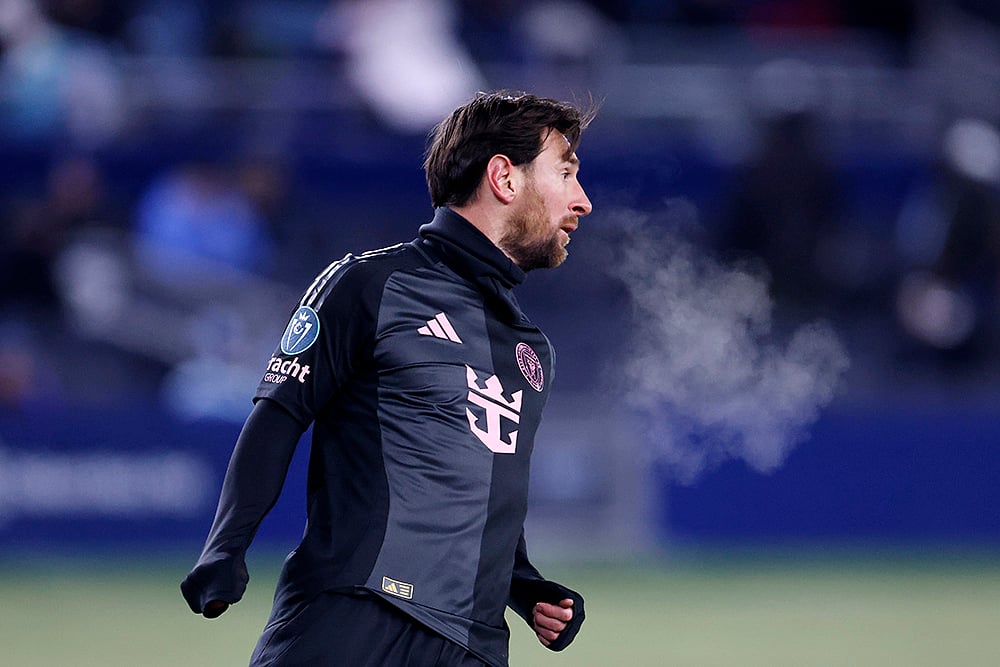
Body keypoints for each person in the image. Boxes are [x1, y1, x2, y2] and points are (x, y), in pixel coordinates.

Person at [181, 90, 595, 666]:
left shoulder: (531, 349)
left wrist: (523, 586)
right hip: (354, 614)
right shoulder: (369, 284)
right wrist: (226, 548)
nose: (583, 201)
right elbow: (279, 413)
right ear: (504, 177)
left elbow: (481, 488)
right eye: (566, 172)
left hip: (472, 645)